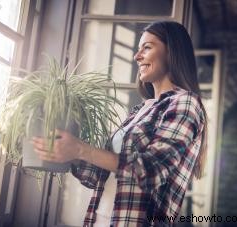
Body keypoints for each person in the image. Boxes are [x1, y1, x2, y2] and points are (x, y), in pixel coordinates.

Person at [33, 20, 208, 227]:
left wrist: (81, 149)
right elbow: (100, 175)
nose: (137, 56)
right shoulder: (140, 111)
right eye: (137, 49)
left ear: (172, 52)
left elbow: (151, 170)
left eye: (147, 47)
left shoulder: (185, 103)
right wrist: (64, 151)